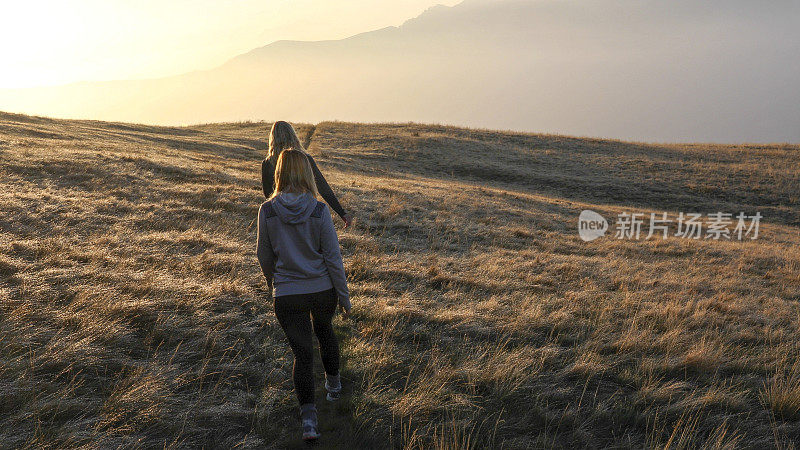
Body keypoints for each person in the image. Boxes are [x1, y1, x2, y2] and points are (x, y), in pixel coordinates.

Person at [256, 148, 351, 442]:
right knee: (325, 333)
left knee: (302, 354)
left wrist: (274, 282)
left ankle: (309, 421)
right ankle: (334, 388)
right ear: (307, 173)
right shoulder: (320, 210)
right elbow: (333, 258)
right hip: (322, 290)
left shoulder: (267, 210)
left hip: (288, 294)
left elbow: (263, 254)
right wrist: (344, 295)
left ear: (278, 173)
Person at [262, 121, 353, 228]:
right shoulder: (305, 159)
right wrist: (341, 212)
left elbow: (268, 193)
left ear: (272, 138)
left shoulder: (268, 163)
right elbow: (322, 186)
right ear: (293, 135)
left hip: (280, 215)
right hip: (306, 211)